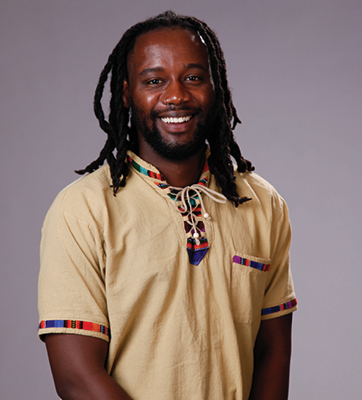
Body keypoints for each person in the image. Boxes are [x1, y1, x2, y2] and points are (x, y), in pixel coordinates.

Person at [38, 10, 297, 400]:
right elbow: (77, 376)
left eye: (193, 78)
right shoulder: (83, 209)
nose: (176, 95)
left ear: (217, 88)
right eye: (154, 80)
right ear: (127, 93)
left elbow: (273, 351)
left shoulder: (263, 204)